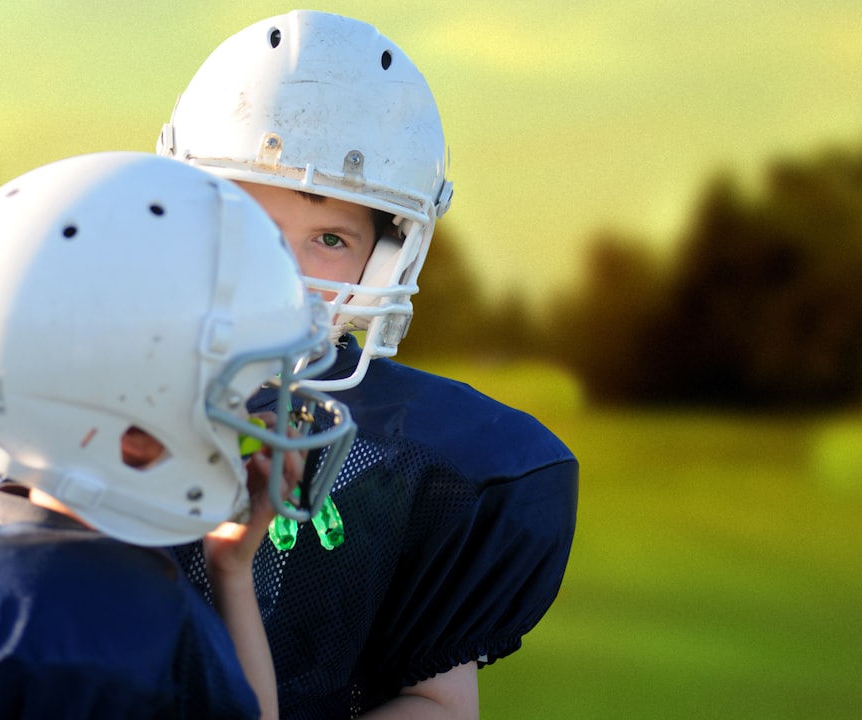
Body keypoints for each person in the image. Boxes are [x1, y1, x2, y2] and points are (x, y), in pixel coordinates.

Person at [157, 10, 579, 718]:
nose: (284, 268)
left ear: (385, 258)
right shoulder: (89, 387)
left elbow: (438, 704)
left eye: (328, 238)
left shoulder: (408, 455)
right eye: (254, 225)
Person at [0, 151, 357, 719]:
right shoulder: (127, 623)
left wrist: (230, 568)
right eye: (235, 395)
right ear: (134, 431)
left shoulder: (12, 539)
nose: (257, 421)